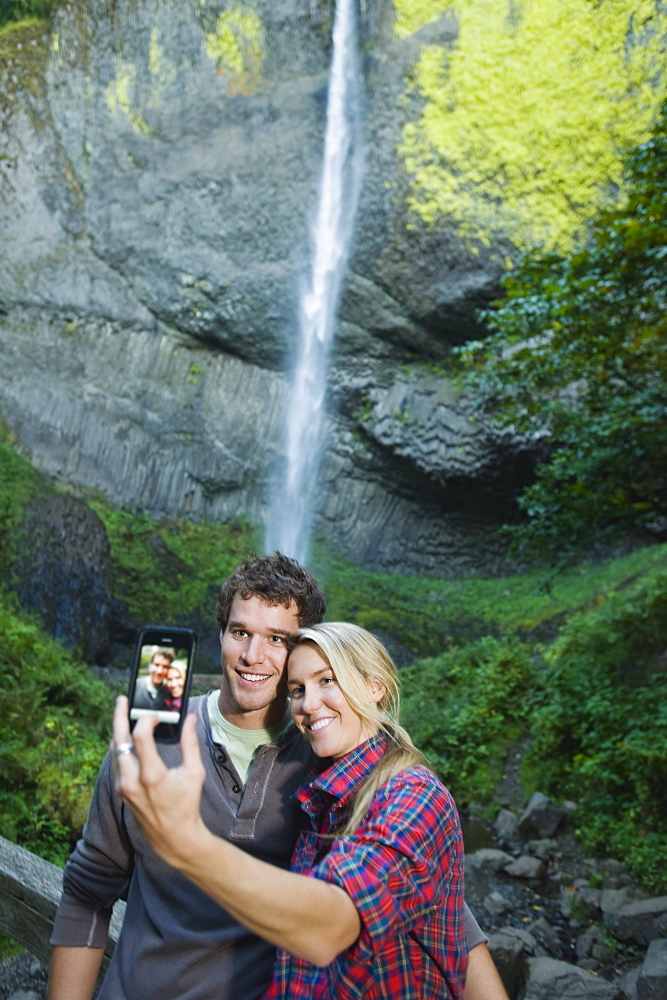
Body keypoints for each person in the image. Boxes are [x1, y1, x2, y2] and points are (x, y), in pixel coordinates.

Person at [47, 553, 509, 1000]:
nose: (253, 655)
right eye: (240, 631)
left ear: (303, 648)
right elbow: (89, 889)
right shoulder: (146, 747)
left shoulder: (331, 761)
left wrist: (187, 842)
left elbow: (432, 905)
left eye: (277, 639)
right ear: (220, 636)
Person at [113, 621, 468, 998]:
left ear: (374, 685)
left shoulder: (413, 796)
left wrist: (188, 842)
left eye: (327, 680)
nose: (308, 705)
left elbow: (330, 927)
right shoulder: (319, 793)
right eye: (297, 690)